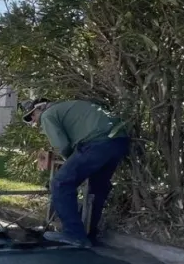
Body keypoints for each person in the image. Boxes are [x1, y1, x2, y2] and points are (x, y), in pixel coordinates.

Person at [20, 98, 131, 248]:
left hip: (97, 143)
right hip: (119, 140)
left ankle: (74, 234)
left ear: (39, 108)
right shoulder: (67, 107)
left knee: (61, 183)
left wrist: (69, 162)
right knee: (97, 188)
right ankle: (89, 233)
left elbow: (62, 145)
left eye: (32, 116)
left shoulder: (48, 115)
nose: (33, 120)